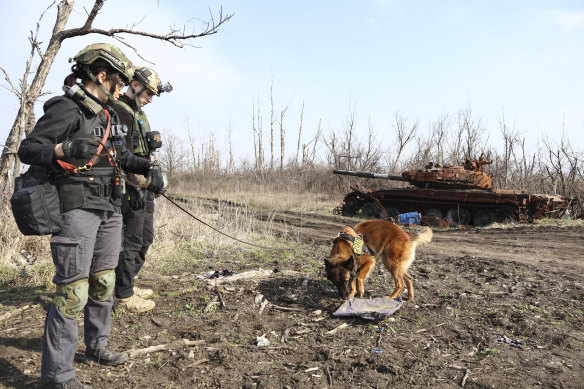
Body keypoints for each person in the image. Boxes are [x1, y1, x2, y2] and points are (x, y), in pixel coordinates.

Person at [17, 43, 165, 389]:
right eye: (119, 81)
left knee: (103, 283)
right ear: (102, 76)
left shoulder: (109, 114)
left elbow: (117, 155)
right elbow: (28, 149)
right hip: (77, 210)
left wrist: (144, 165)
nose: (122, 88)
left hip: (111, 209)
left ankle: (97, 346)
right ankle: (58, 376)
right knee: (73, 292)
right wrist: (63, 149)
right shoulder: (68, 109)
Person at [112, 66, 172, 313]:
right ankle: (122, 295)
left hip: (143, 185)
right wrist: (147, 171)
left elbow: (142, 151)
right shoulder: (119, 111)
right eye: (148, 94)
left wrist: (154, 168)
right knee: (132, 241)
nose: (149, 100)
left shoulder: (137, 112)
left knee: (146, 237)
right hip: (130, 187)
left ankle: (129, 283)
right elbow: (121, 157)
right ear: (135, 85)